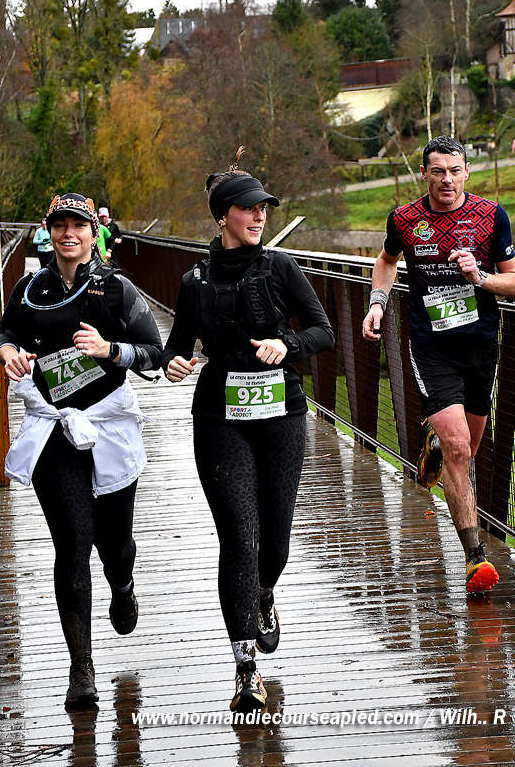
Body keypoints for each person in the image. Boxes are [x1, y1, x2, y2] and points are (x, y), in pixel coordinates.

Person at [162, 154, 335, 713]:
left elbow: (324, 331)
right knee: (239, 538)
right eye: (248, 208)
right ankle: (245, 669)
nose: (259, 216)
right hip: (220, 419)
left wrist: (288, 344)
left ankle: (263, 593)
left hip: (281, 415)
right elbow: (177, 345)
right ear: (223, 216)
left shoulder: (281, 267)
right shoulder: (194, 281)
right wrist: (172, 362)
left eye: (264, 208)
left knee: (274, 541)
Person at [0, 193, 163, 710]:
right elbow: (5, 332)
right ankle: (81, 667)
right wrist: (9, 353)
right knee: (72, 541)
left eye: (79, 226)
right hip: (54, 427)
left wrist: (109, 350)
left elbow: (154, 352)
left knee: (115, 545)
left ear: (94, 234)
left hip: (108, 425)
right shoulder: (31, 289)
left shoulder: (116, 289)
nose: (69, 234)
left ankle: (123, 584)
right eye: (60, 225)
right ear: (49, 233)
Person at [362, 136, 515, 593]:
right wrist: (377, 303)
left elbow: (512, 282)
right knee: (458, 450)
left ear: (466, 171)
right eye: (437, 171)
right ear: (424, 174)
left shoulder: (492, 216)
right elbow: (386, 261)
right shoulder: (404, 218)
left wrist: (479, 276)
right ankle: (474, 559)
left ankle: (434, 443)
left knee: (467, 449)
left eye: (454, 170)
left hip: (480, 346)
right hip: (431, 347)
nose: (447, 180)